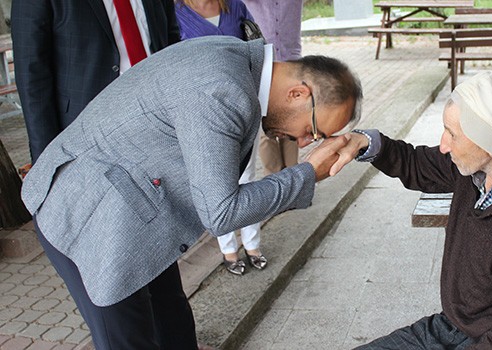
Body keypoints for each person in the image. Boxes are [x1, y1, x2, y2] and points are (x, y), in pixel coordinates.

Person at [21, 36, 362, 349]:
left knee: (175, 328)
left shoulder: (237, 60)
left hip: (138, 211)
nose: (303, 142)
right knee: (130, 341)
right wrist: (306, 175)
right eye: (312, 131)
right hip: (90, 216)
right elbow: (221, 213)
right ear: (299, 94)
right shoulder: (221, 88)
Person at [332, 72, 492, 349]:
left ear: (489, 142)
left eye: (452, 134)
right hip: (451, 325)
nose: (443, 145)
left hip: (489, 338)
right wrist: (365, 143)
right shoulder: (482, 161)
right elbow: (418, 164)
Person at [11, 0, 180, 164]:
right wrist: (46, 162)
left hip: (159, 121)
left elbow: (171, 42)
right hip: (88, 133)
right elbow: (32, 75)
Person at [175, 0, 265, 275]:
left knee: (246, 179)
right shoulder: (175, 12)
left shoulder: (233, 5)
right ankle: (228, 249)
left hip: (242, 103)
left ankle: (253, 245)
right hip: (203, 113)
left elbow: (255, 44)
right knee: (217, 183)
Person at [243, 0, 303, 177]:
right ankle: (274, 180)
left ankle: (294, 178)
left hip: (291, 62)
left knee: (291, 123)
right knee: (266, 127)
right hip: (262, 62)